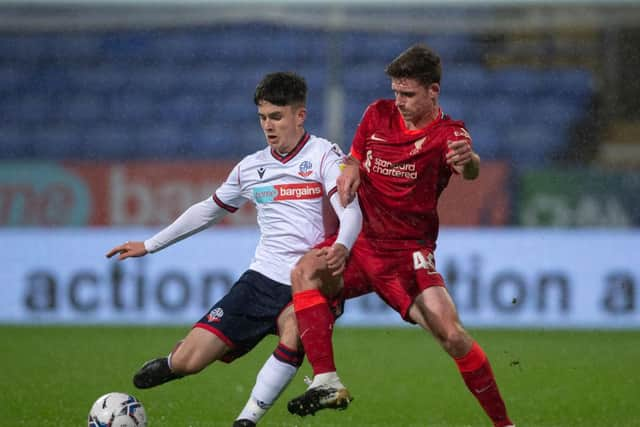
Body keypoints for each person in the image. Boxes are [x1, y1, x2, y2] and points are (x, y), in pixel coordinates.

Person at [105, 71, 362, 427]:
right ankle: (172, 364)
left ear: (299, 115)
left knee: (294, 332)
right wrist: (149, 245)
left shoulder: (323, 155)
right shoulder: (251, 167)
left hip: (310, 278)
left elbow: (351, 210)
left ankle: (246, 420)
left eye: (276, 116)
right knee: (189, 362)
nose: (268, 126)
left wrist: (343, 248)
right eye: (262, 118)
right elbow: (208, 210)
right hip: (259, 280)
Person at [285, 44, 515, 427]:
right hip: (359, 243)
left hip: (408, 253)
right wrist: (351, 166)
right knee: (302, 275)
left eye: (408, 94)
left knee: (452, 336)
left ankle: (505, 424)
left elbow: (470, 168)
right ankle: (326, 380)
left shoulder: (449, 135)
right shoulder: (377, 113)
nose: (400, 101)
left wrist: (470, 162)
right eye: (396, 91)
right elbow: (354, 157)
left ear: (433, 91)